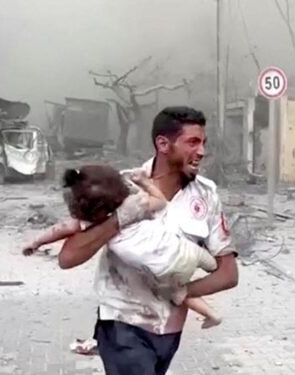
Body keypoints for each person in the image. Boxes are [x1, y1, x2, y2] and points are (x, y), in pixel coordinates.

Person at [58, 106, 239, 375]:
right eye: (192, 142)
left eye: (203, 143)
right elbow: (68, 257)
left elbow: (228, 274)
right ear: (163, 144)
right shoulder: (120, 188)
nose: (201, 151)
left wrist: (182, 292)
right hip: (122, 323)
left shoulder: (207, 196)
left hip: (168, 331)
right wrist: (119, 219)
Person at [23, 164, 223, 329]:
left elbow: (60, 229)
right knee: (203, 260)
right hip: (186, 251)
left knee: (177, 293)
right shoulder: (135, 205)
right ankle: (214, 266)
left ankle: (211, 314)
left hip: (163, 269)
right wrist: (143, 183)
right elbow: (162, 202)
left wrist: (37, 242)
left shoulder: (92, 223)